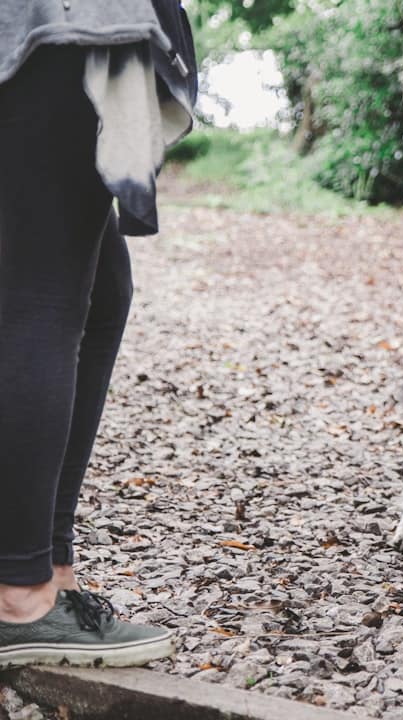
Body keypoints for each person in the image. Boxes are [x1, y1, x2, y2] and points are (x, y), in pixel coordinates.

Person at [0, 0, 197, 666]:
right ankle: (19, 596)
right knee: (42, 293)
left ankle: (49, 568)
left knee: (101, 290)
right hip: (55, 24)